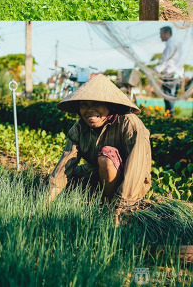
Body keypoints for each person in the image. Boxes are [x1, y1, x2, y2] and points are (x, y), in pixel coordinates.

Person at [46, 74, 152, 221]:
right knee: (56, 182)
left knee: (106, 157)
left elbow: (137, 168)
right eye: (84, 105)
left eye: (95, 104)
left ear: (110, 105)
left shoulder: (129, 123)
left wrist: (121, 206)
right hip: (96, 177)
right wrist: (45, 204)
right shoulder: (79, 128)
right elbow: (65, 165)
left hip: (131, 185)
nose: (89, 110)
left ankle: (109, 208)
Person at [156, 26, 183, 118]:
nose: (160, 37)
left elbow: (166, 61)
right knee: (171, 97)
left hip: (171, 75)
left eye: (161, 34)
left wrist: (155, 70)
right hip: (177, 75)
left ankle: (170, 118)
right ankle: (170, 117)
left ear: (167, 34)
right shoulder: (177, 43)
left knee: (169, 97)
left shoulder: (170, 45)